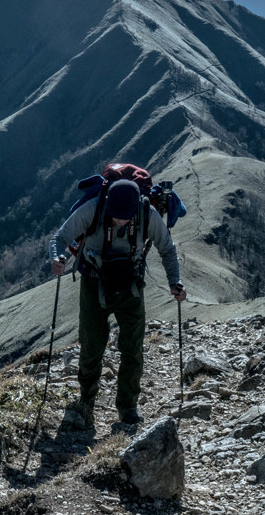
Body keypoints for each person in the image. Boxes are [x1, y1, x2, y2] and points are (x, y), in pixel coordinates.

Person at [49, 178, 186, 428]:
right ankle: (87, 400)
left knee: (132, 348)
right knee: (91, 344)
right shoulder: (93, 208)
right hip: (94, 282)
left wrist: (175, 282)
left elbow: (167, 248)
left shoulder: (147, 212)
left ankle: (128, 407)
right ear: (109, 204)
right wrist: (57, 259)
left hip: (131, 285)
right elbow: (60, 238)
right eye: (116, 215)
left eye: (125, 216)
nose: (121, 220)